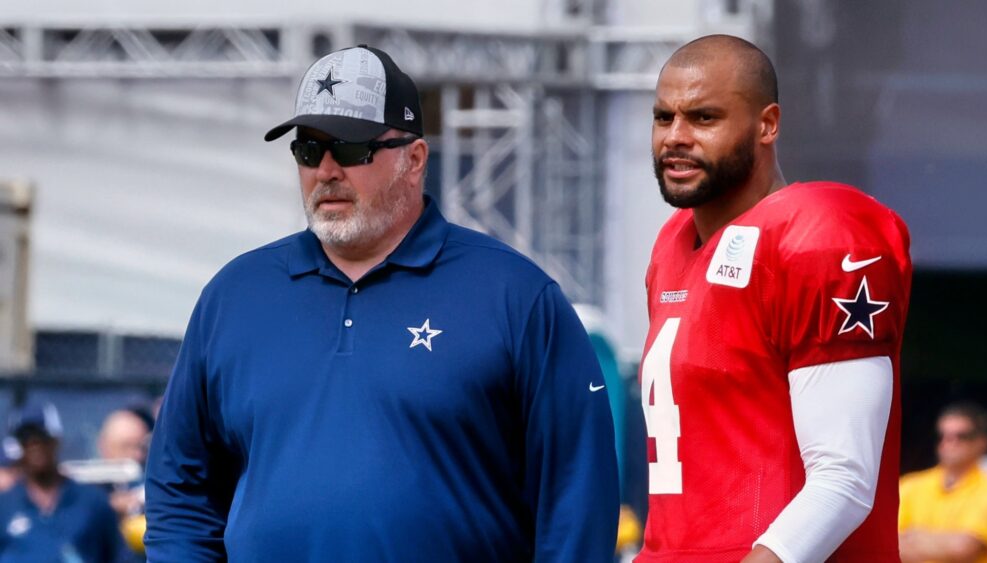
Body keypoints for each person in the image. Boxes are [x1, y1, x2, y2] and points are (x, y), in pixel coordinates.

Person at [144, 45, 618, 562]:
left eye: (349, 148)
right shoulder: (234, 296)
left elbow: (576, 496)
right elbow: (180, 485)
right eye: (308, 149)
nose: (325, 170)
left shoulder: (515, 295)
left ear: (413, 160)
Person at [637, 34, 912, 562]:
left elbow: (844, 479)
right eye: (663, 117)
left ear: (767, 125)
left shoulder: (823, 234)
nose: (676, 136)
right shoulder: (671, 244)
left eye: (704, 117)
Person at [0, 403, 124, 562]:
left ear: (56, 440)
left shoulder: (93, 502)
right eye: (26, 438)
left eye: (41, 436)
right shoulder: (4, 505)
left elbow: (117, 555)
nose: (34, 443)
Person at [899, 402, 987, 563]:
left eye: (962, 436)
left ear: (982, 442)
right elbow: (887, 542)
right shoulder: (910, 484)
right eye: (942, 435)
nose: (949, 442)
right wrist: (945, 543)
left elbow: (962, 550)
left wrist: (913, 536)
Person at [97, 409, 151, 560]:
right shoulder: (84, 488)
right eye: (126, 446)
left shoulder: (151, 485)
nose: (137, 455)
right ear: (104, 445)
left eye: (141, 447)